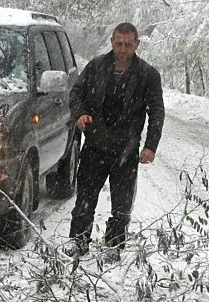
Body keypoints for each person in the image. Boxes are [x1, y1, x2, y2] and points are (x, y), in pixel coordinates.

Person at [66, 22, 164, 256]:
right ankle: (78, 241)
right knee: (85, 198)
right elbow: (76, 93)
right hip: (95, 145)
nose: (122, 49)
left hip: (126, 148)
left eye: (128, 44)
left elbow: (156, 111)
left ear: (136, 44)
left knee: (122, 202)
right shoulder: (96, 67)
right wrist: (80, 113)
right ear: (111, 41)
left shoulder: (148, 75)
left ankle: (114, 244)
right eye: (118, 43)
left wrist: (150, 146)